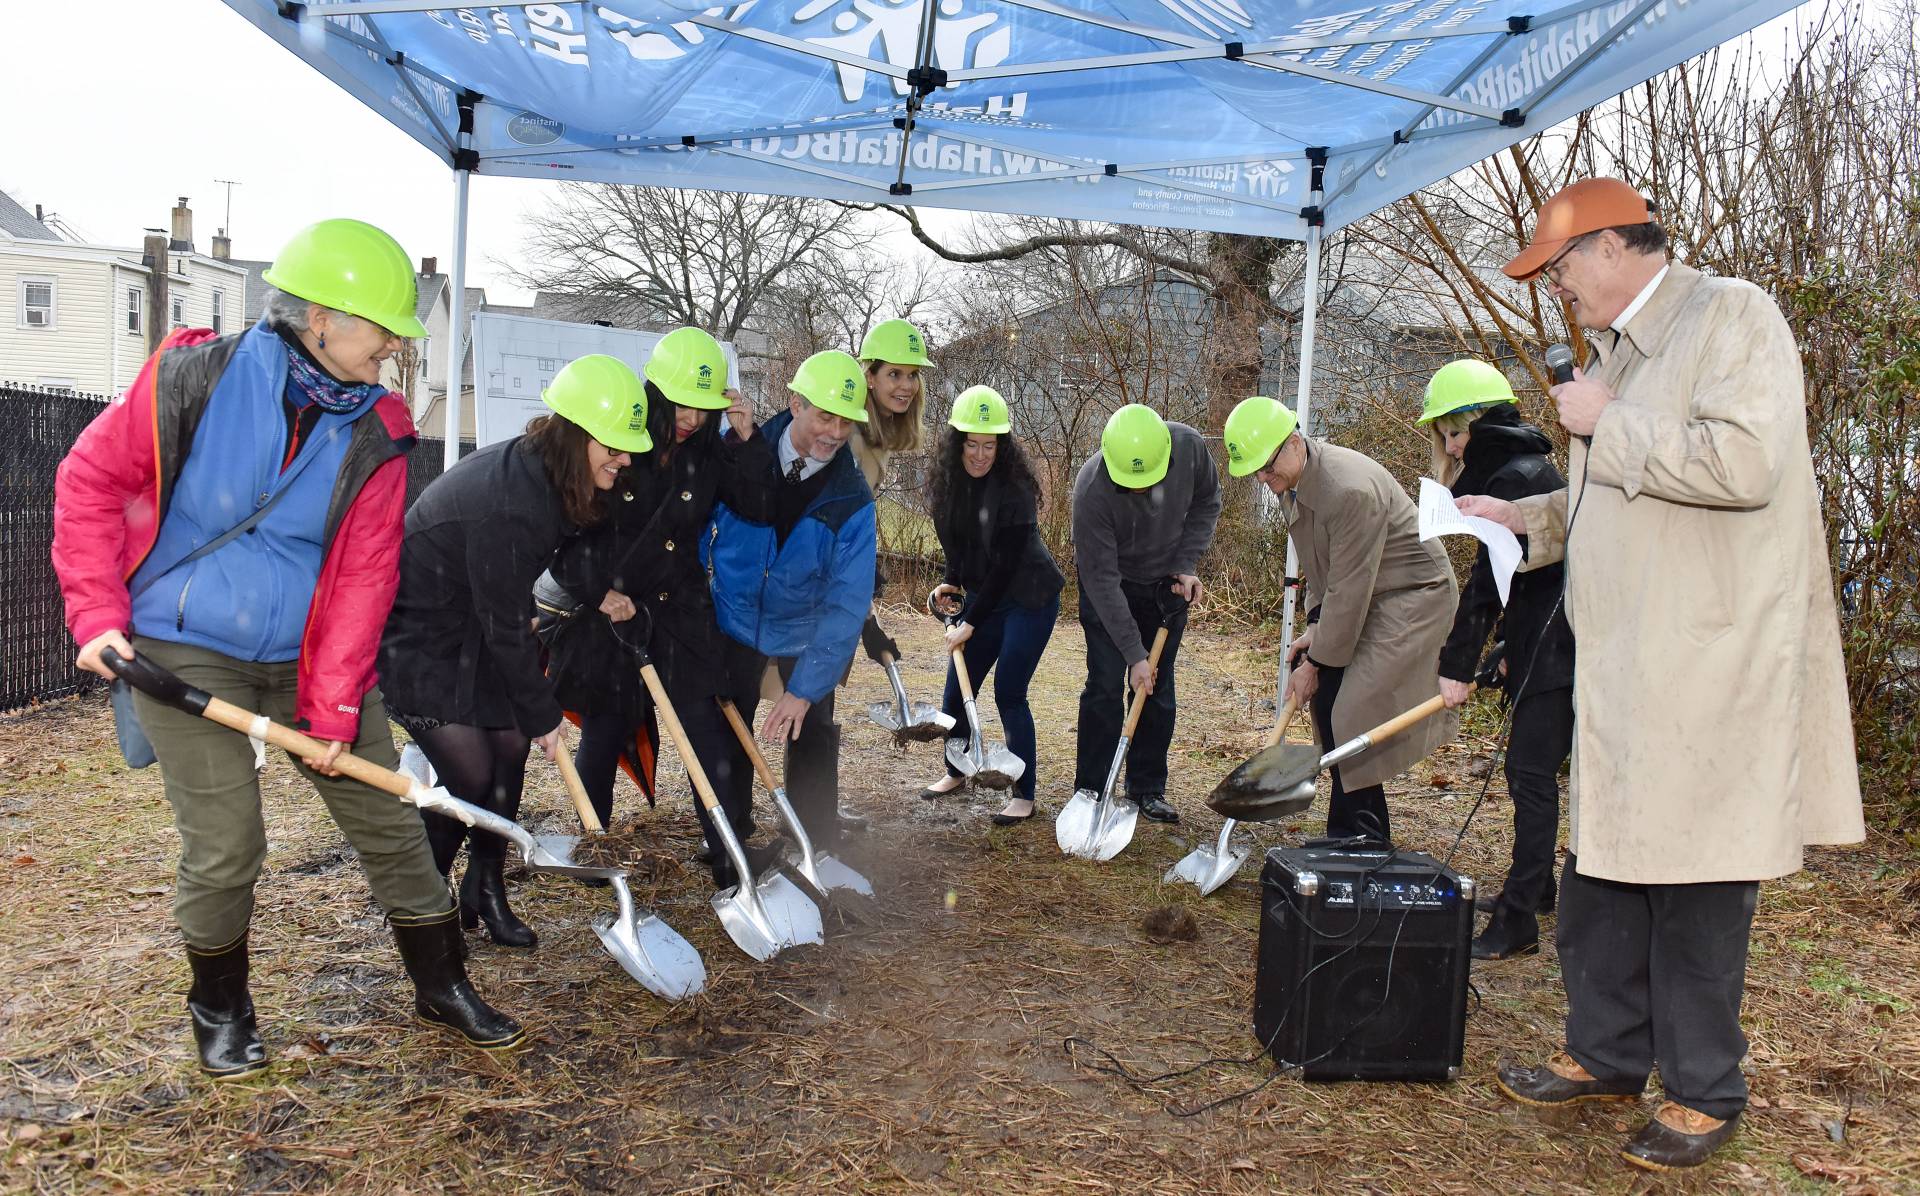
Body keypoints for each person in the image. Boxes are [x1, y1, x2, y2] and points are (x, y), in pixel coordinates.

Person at [51, 218, 524, 1076]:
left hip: (310, 656)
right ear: (320, 318)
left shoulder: (378, 430)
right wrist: (96, 617)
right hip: (184, 648)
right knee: (230, 841)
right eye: (382, 327)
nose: (392, 346)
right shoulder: (193, 378)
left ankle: (440, 982)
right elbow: (89, 484)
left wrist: (337, 702)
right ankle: (220, 1007)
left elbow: (364, 577)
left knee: (389, 818)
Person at [1461, 178, 1864, 1171]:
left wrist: (1608, 422)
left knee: (1696, 883)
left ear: (1609, 247)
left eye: (1561, 267)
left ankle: (1703, 1086)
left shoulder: (1733, 318)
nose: (1559, 290)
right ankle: (1606, 1051)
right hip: (1627, 670)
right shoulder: (1613, 359)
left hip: (1708, 663)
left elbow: (1747, 464)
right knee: (1602, 872)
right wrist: (1531, 521)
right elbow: (1619, 505)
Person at [379, 354, 652, 947]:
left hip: (475, 625)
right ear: (577, 434)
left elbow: (558, 562)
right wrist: (543, 713)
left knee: (507, 754)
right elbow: (506, 622)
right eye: (615, 445)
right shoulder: (510, 501)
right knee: (469, 775)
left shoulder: (556, 477)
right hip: (420, 638)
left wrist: (596, 592)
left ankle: (485, 888)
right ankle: (421, 903)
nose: (626, 458)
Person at [538, 329, 777, 884]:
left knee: (703, 727)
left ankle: (726, 856)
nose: (692, 417)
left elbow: (762, 507)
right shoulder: (618, 441)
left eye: (704, 406)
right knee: (606, 724)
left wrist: (748, 441)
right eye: (681, 402)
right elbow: (566, 536)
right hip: (610, 606)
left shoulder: (711, 452)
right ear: (656, 392)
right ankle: (593, 846)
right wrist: (598, 593)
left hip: (678, 608)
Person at [1223, 395, 1458, 844]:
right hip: (1367, 592)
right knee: (1329, 703)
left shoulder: (1346, 490)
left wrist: (1317, 662)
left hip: (1411, 596)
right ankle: (1347, 831)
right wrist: (1315, 629)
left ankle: (1365, 837)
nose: (1264, 479)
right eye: (1257, 472)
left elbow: (1350, 590)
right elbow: (1321, 566)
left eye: (1268, 467)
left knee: (1353, 710)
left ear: (1293, 442)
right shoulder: (1294, 482)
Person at [1420, 360, 1575, 961]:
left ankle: (1517, 923)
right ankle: (1536, 890)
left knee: (1530, 778)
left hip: (1560, 650)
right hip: (1544, 640)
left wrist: (1457, 664)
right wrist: (1507, 650)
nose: (1451, 447)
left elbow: (1487, 585)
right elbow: (1529, 580)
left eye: (1452, 432)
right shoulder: (1536, 465)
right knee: (1529, 775)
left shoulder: (1509, 478)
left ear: (1472, 425)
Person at [705, 350, 878, 861]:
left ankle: (812, 840)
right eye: (826, 415)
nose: (835, 432)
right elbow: (695, 528)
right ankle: (728, 838)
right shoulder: (738, 450)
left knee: (813, 728)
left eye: (847, 421)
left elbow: (848, 604)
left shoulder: (852, 500)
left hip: (804, 627)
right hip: (734, 617)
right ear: (795, 402)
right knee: (725, 731)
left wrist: (802, 690)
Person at [919, 386, 1065, 824]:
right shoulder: (947, 486)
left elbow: (1005, 564)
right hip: (986, 595)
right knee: (955, 693)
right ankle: (956, 770)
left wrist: (970, 623)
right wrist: (948, 583)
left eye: (990, 445)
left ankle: (1024, 792)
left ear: (1001, 447)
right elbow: (960, 547)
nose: (980, 455)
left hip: (1030, 598)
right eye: (972, 444)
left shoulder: (1016, 489)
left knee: (1010, 692)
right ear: (956, 441)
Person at [1069, 404, 1220, 824]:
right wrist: (1134, 655)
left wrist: (1187, 563)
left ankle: (1146, 787)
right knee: (1103, 683)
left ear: (1166, 456)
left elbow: (1209, 500)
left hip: (1165, 587)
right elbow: (1100, 579)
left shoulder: (1189, 448)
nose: (1138, 491)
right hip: (1110, 587)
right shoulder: (1091, 488)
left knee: (1157, 689)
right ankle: (1092, 789)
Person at [847, 318, 932, 764]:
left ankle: (819, 813)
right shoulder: (851, 435)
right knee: (809, 701)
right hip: (817, 583)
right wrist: (862, 611)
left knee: (818, 704)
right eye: (894, 374)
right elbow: (839, 527)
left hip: (840, 578)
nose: (906, 385)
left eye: (912, 375)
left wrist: (866, 613)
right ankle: (809, 818)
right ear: (870, 376)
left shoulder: (875, 434)